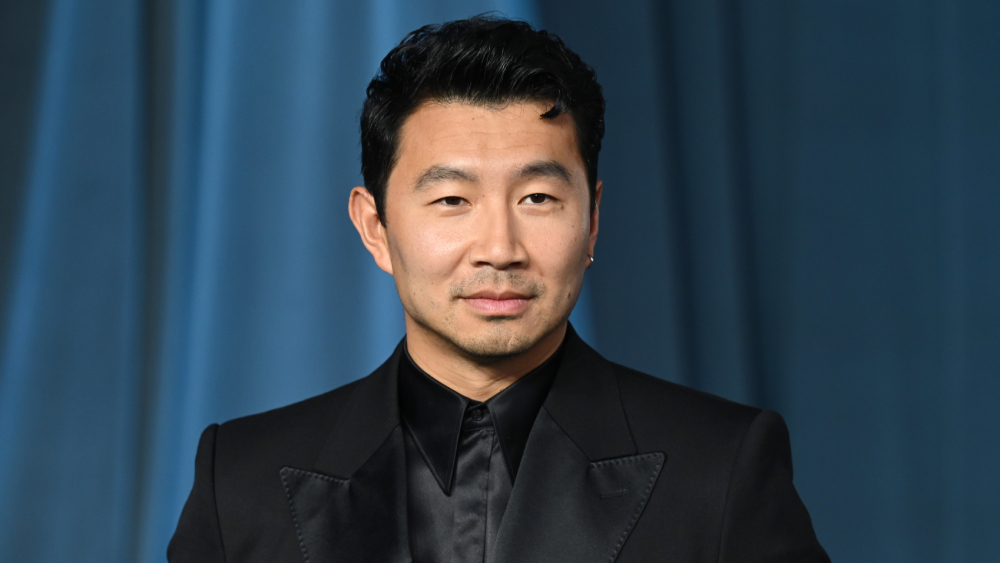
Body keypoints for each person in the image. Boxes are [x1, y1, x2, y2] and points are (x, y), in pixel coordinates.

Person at [168, 15, 829, 563]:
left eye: (538, 197)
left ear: (592, 219)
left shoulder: (720, 468)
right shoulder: (242, 481)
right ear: (375, 227)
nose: (499, 249)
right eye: (453, 198)